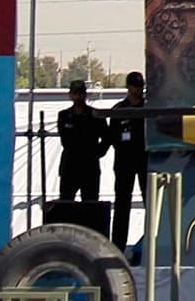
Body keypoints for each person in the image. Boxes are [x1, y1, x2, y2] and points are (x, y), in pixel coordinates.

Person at [55, 79, 109, 210]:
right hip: (70, 165)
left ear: (85, 95)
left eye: (80, 93)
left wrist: (98, 153)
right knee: (66, 205)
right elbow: (65, 140)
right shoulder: (64, 116)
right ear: (70, 95)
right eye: (75, 93)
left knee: (90, 206)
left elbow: (107, 138)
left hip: (89, 166)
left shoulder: (95, 115)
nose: (78, 97)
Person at [111, 71, 149, 244]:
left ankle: (150, 243)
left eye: (141, 87)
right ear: (128, 87)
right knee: (122, 205)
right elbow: (113, 137)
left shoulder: (148, 108)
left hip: (144, 160)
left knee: (150, 202)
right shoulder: (119, 110)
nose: (139, 90)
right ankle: (118, 244)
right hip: (124, 161)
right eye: (136, 87)